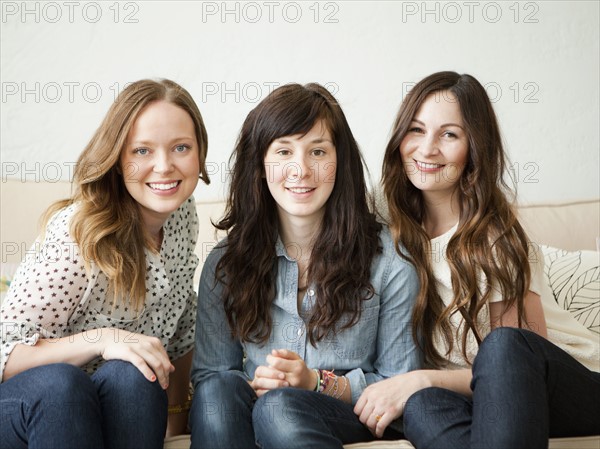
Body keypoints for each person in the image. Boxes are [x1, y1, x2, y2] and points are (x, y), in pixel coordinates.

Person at [354, 71, 600, 448]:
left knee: (502, 346)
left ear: (475, 148)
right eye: (416, 130)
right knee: (421, 407)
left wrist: (423, 377)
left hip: (572, 385)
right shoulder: (384, 213)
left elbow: (516, 365)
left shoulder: (496, 237)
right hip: (482, 401)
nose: (427, 149)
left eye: (449, 134)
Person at [189, 83, 421, 449]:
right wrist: (262, 385)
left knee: (280, 407)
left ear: (339, 161)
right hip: (252, 411)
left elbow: (400, 384)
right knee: (220, 391)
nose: (300, 169)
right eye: (283, 151)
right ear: (260, 165)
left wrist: (315, 382)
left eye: (317, 151)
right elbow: (213, 376)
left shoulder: (390, 262)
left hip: (344, 415)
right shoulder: (225, 264)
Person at [0, 79, 210, 449]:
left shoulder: (182, 216)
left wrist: (178, 424)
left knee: (136, 372)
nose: (164, 167)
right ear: (117, 159)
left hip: (111, 403)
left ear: (200, 153)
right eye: (142, 151)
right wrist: (103, 340)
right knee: (63, 383)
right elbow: (6, 351)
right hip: (34, 403)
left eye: (181, 147)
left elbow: (180, 334)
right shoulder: (79, 232)